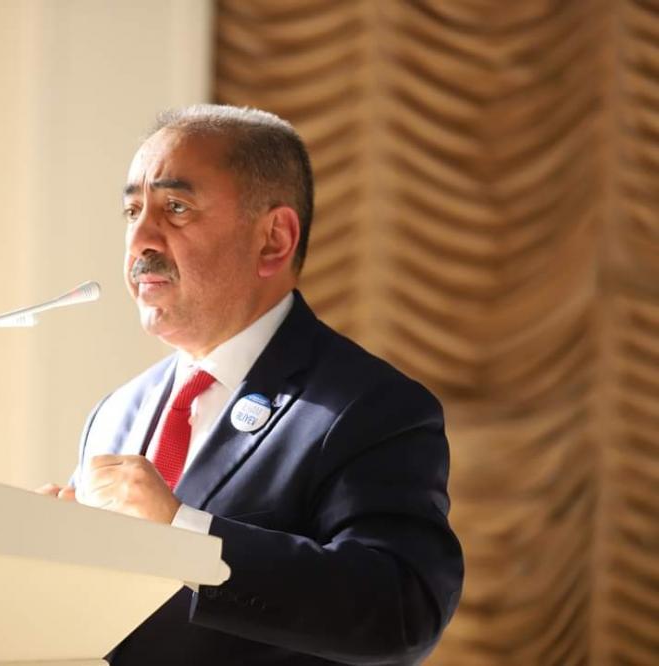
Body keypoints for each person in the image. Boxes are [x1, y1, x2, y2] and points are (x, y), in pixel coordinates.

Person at [37, 105, 463, 665]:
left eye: (176, 208)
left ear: (273, 240)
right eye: (133, 211)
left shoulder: (371, 407)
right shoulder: (115, 412)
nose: (139, 239)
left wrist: (183, 532)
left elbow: (400, 611)